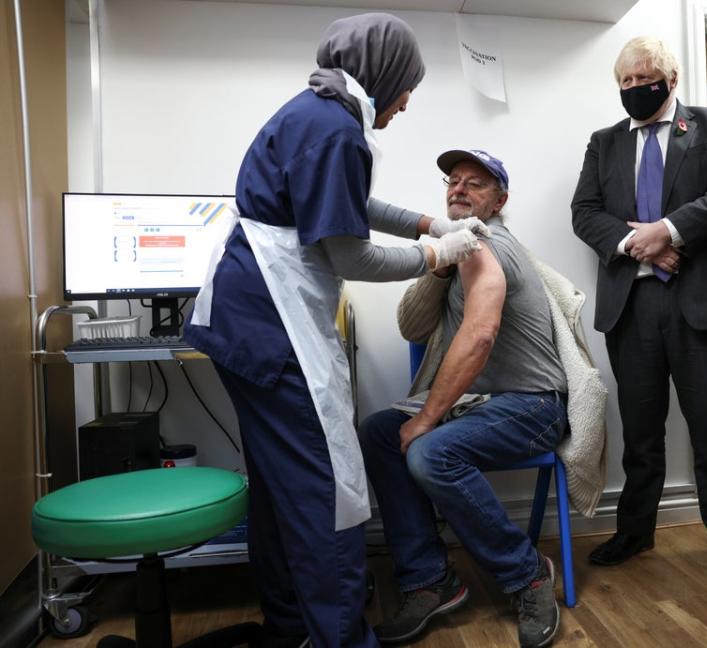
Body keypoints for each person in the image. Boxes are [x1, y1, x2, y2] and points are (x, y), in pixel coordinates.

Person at [184, 15, 487, 647]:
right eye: (408, 88)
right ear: (385, 73)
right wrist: (441, 254)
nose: (406, 103)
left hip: (241, 319)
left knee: (279, 485)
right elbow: (353, 257)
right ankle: (341, 638)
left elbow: (353, 203)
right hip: (273, 328)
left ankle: (293, 625)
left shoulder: (314, 113)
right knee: (328, 490)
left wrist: (430, 224)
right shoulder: (336, 129)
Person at [359, 149, 605, 648]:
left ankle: (529, 574)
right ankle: (430, 579)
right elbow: (412, 325)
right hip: (484, 404)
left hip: (534, 406)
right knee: (378, 432)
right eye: (453, 180)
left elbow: (480, 335)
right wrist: (442, 263)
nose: (459, 188)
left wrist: (427, 418)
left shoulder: (488, 246)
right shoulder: (458, 250)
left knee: (430, 451)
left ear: (499, 200)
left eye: (476, 183)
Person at [571, 36, 707, 584]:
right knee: (640, 429)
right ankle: (634, 529)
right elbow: (584, 213)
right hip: (632, 306)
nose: (634, 89)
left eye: (644, 78)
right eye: (625, 82)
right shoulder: (603, 143)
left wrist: (669, 232)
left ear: (670, 79)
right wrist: (642, 244)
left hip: (700, 304)